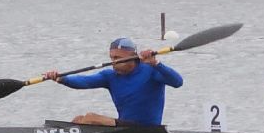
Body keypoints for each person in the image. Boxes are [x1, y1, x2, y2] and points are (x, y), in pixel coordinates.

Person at [43, 37, 183, 126]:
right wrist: (60, 78)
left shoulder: (151, 71)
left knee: (91, 118)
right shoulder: (109, 76)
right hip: (125, 127)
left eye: (117, 58)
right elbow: (84, 81)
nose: (114, 62)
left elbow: (178, 82)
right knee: (79, 120)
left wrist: (157, 63)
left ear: (132, 57)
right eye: (112, 58)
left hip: (147, 128)